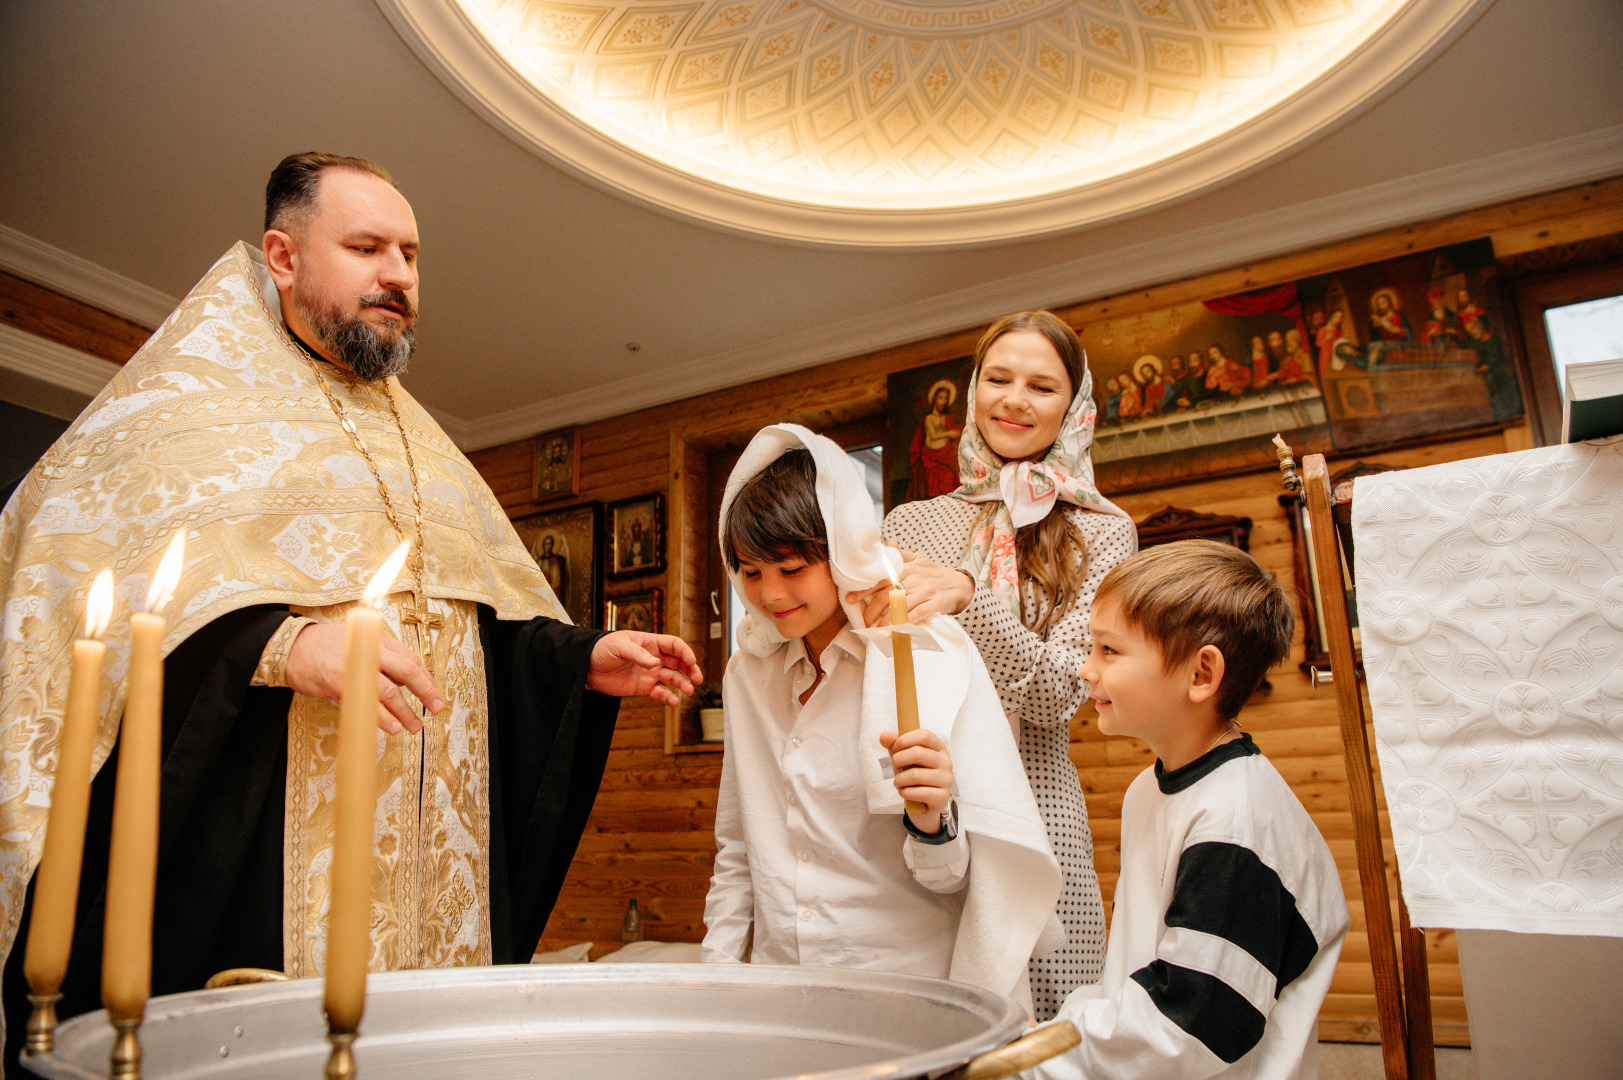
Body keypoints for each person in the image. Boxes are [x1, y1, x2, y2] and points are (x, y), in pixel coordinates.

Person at [0, 152, 702, 1057]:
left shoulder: (424, 444)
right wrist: (281, 648)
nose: (399, 275)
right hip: (256, 871)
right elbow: (83, 633)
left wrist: (573, 661)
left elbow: (465, 631)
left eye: (410, 254)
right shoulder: (175, 420)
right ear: (282, 257)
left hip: (434, 906)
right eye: (367, 246)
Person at [700, 426, 1060, 1008]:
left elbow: (957, 879)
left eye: (791, 570)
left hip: (900, 984)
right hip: (782, 982)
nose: (769, 594)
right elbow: (740, 845)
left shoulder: (919, 653)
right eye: (749, 572)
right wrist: (711, 979)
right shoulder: (748, 676)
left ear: (840, 550)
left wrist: (933, 817)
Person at [852, 311, 1138, 1021]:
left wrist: (967, 598)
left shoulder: (1103, 530)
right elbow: (879, 675)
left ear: (1072, 408)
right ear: (972, 390)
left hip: (1040, 806)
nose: (1014, 399)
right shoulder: (908, 524)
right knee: (935, 1018)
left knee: (1051, 1026)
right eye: (997, 378)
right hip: (921, 804)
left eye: (1041, 386)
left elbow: (1056, 697)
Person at [1034, 540, 1348, 1080]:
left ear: (1201, 674)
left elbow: (1185, 1029)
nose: (1086, 671)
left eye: (1108, 651)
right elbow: (1135, 978)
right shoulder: (1146, 791)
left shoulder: (1236, 817)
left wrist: (1021, 1062)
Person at [907, 380, 965, 500]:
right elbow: (933, 435)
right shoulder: (929, 418)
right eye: (941, 398)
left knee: (950, 477)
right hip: (931, 458)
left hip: (945, 455)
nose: (943, 401)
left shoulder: (946, 418)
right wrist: (949, 433)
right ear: (934, 399)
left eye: (946, 398)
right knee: (942, 478)